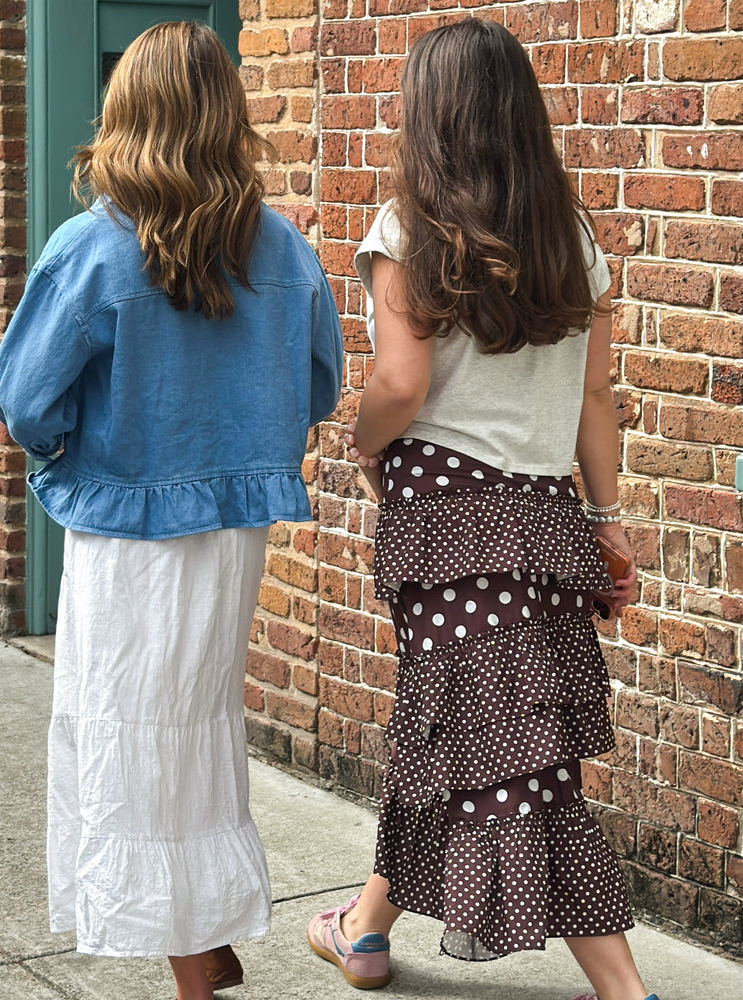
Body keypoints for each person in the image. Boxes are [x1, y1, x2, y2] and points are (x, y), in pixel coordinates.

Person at [0, 21, 342, 1000]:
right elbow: (316, 384)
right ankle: (205, 932)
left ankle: (191, 962)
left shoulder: (93, 246)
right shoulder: (280, 246)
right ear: (226, 116)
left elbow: (20, 399)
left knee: (132, 729)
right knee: (193, 722)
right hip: (232, 526)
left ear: (125, 112)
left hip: (130, 527)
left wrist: (75, 453)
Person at [306, 18, 659, 1000]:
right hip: (544, 512)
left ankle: (625, 990)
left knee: (505, 751)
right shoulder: (571, 236)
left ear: (431, 112)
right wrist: (604, 515)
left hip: (444, 513)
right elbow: (593, 398)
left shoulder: (407, 231)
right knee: (465, 729)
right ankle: (362, 931)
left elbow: (401, 381)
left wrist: (359, 437)